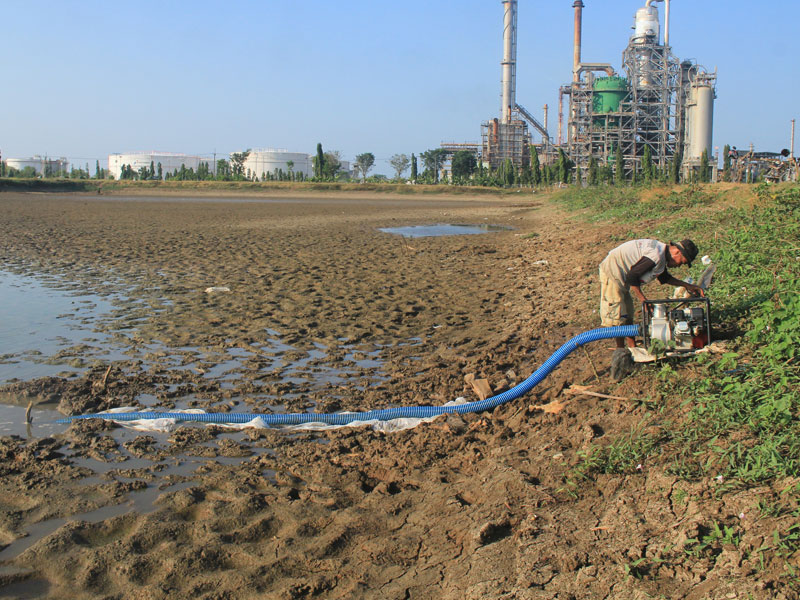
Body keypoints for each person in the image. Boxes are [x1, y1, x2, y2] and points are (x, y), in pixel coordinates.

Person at [599, 238, 704, 353]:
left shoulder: (662, 255)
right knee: (617, 315)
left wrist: (688, 286)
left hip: (622, 274)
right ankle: (620, 351)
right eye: (682, 262)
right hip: (613, 271)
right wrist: (643, 300)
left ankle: (632, 348)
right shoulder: (656, 256)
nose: (679, 266)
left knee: (627, 313)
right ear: (677, 252)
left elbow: (665, 278)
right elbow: (632, 277)